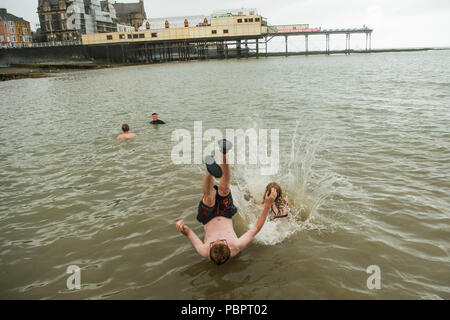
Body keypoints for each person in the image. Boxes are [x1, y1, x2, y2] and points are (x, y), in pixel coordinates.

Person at [176, 139, 277, 265]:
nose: (217, 239)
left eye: (213, 242)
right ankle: (224, 152)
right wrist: (267, 205)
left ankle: (209, 171)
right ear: (228, 247)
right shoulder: (237, 245)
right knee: (224, 189)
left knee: (209, 198)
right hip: (226, 212)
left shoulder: (203, 250)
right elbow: (256, 228)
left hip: (208, 217)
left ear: (210, 248)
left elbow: (188, 232)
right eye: (222, 241)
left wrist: (181, 226)